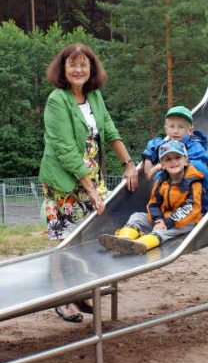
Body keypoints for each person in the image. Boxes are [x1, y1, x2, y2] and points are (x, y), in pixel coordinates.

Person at [39, 42, 138, 322]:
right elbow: (65, 149)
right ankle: (62, 299)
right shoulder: (57, 100)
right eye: (73, 64)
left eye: (84, 64)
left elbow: (109, 130)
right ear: (64, 68)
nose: (79, 69)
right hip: (65, 182)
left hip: (91, 176)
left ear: (91, 69)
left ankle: (79, 291)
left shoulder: (94, 97)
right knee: (65, 240)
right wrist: (91, 189)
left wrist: (129, 164)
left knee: (89, 236)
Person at [99, 140, 204, 255]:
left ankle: (142, 244)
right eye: (168, 159)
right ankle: (123, 238)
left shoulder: (193, 182)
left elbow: (191, 207)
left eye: (177, 157)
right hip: (164, 218)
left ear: (185, 161)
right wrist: (158, 220)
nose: (173, 162)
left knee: (164, 232)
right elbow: (154, 203)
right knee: (137, 216)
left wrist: (167, 223)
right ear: (162, 165)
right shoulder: (161, 181)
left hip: (186, 221)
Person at [141, 105, 208, 212]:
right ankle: (168, 207)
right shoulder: (166, 144)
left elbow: (196, 170)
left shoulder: (195, 147)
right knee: (161, 176)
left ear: (190, 131)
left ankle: (199, 211)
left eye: (181, 127)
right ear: (166, 129)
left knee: (167, 173)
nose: (175, 131)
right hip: (178, 193)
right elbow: (153, 145)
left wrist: (159, 167)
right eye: (172, 126)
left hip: (204, 194)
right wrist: (148, 161)